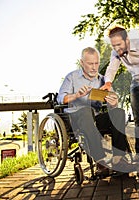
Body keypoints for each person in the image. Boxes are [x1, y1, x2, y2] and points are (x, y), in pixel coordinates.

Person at [57, 47, 133, 175]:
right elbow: (60, 98)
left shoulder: (103, 80)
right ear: (82, 63)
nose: (94, 67)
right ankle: (101, 161)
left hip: (95, 119)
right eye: (90, 64)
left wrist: (113, 102)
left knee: (118, 112)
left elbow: (113, 100)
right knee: (86, 111)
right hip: (76, 118)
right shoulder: (72, 77)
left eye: (96, 63)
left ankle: (118, 159)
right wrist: (76, 95)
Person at [100, 26, 139, 172]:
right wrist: (108, 82)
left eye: (119, 44)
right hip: (135, 84)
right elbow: (111, 68)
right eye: (113, 45)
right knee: (138, 121)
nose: (116, 48)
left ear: (126, 40)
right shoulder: (116, 52)